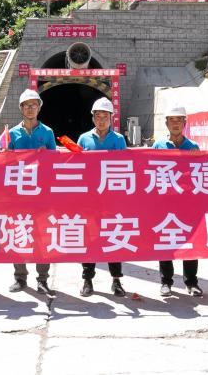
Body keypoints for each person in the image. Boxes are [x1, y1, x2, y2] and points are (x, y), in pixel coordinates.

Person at [77, 97, 128, 297]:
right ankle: (87, 280)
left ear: (111, 118)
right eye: (97, 116)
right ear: (93, 118)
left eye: (105, 116)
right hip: (89, 199)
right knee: (90, 239)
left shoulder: (119, 140)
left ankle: (116, 280)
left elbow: (126, 167)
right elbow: (77, 167)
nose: (101, 120)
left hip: (111, 198)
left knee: (113, 236)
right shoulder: (84, 139)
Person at [7, 89, 56, 295]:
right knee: (19, 232)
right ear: (21, 108)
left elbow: (55, 162)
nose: (30, 108)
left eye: (34, 105)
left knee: (41, 235)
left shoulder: (48, 133)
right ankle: (20, 277)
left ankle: (42, 279)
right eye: (26, 105)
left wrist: (46, 156)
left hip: (41, 193)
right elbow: (3, 160)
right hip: (18, 193)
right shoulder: (11, 133)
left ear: (39, 108)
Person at [151, 105, 202, 297]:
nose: (175, 123)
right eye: (171, 120)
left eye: (179, 120)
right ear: (166, 123)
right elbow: (150, 171)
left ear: (184, 123)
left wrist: (197, 159)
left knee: (190, 243)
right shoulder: (158, 146)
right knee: (166, 242)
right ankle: (166, 282)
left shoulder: (193, 147)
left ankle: (191, 282)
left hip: (187, 203)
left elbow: (199, 174)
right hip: (165, 203)